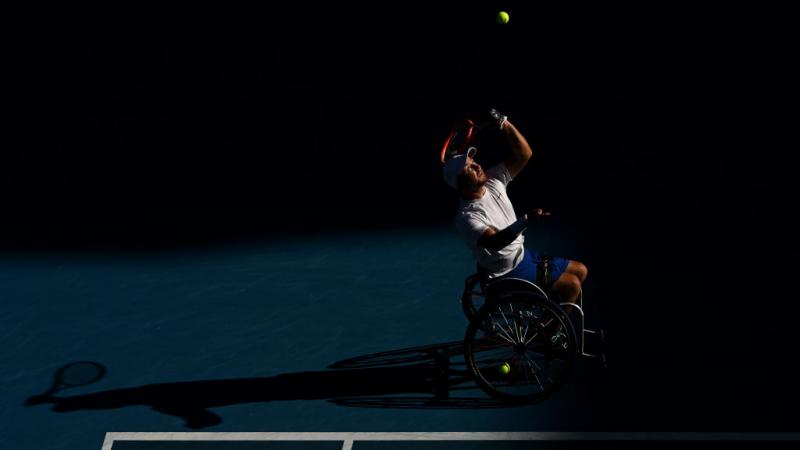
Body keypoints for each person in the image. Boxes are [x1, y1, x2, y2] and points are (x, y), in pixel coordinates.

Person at [444, 109, 588, 306]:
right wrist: (526, 220)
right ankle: (549, 332)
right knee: (572, 285)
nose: (477, 166)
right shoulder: (466, 217)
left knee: (581, 270)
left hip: (523, 256)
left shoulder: (493, 181)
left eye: (473, 161)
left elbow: (524, 154)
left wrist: (503, 123)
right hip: (506, 273)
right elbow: (495, 242)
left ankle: (547, 317)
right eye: (468, 168)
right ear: (460, 184)